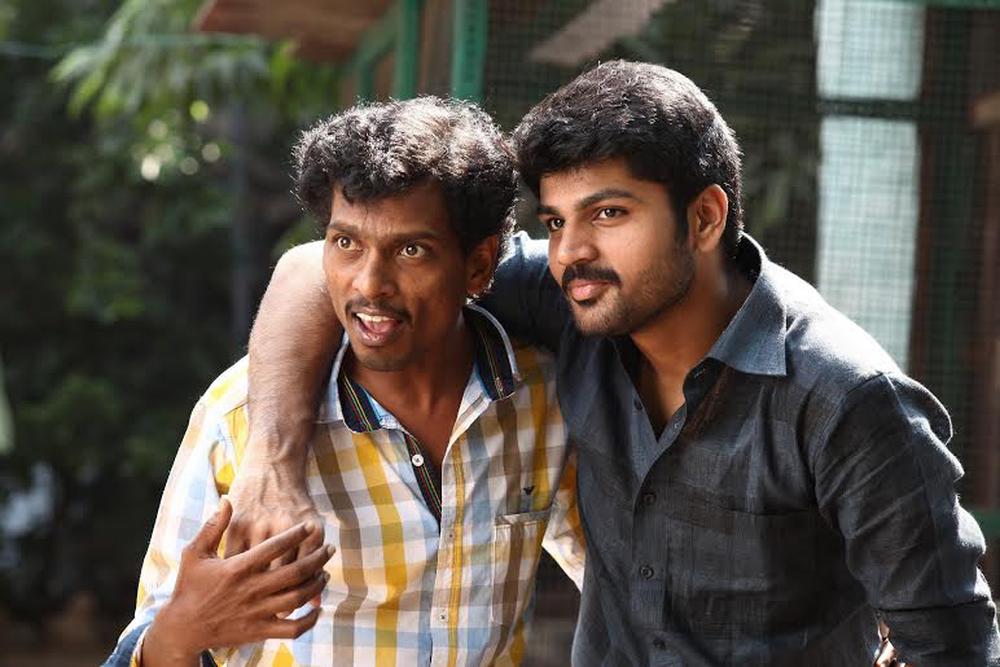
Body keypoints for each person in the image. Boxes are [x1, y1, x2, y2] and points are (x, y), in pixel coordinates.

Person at [230, 62, 999, 665]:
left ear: (704, 217)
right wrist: (272, 464)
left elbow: (952, 645)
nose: (571, 250)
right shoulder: (578, 300)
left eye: (608, 212)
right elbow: (314, 268)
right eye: (555, 220)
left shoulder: (846, 399)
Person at [104, 96, 584, 667]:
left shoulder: (541, 399)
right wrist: (181, 632)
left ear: (479, 266)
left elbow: (614, 570)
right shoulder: (238, 417)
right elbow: (153, 638)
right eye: (346, 243)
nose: (369, 284)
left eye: (411, 250)